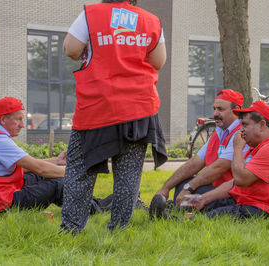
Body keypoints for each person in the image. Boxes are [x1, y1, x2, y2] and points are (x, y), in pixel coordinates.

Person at [61, 0, 167, 232]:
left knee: (81, 170)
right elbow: (158, 62)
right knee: (128, 172)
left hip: (98, 105)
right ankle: (118, 229)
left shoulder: (91, 15)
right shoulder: (151, 20)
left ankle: (71, 229)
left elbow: (71, 48)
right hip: (139, 107)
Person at [0, 97, 111, 214]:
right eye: (19, 120)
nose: (23, 125)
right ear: (3, 119)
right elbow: (39, 169)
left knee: (50, 178)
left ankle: (98, 204)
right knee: (57, 184)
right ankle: (101, 209)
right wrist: (75, 173)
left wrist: (56, 161)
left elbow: (25, 166)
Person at [189, 101, 269, 219]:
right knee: (203, 202)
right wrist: (204, 199)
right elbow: (234, 183)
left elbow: (241, 179)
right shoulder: (265, 146)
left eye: (245, 125)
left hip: (268, 210)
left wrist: (237, 148)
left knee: (207, 217)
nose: (241, 131)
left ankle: (185, 219)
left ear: (262, 125)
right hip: (256, 204)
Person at [149, 89, 247, 218]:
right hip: (217, 187)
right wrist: (165, 188)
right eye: (214, 108)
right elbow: (195, 162)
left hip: (231, 192)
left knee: (193, 190)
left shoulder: (240, 133)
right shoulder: (220, 131)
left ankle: (177, 213)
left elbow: (219, 168)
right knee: (182, 182)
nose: (215, 113)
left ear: (236, 110)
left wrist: (188, 188)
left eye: (220, 109)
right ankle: (177, 208)